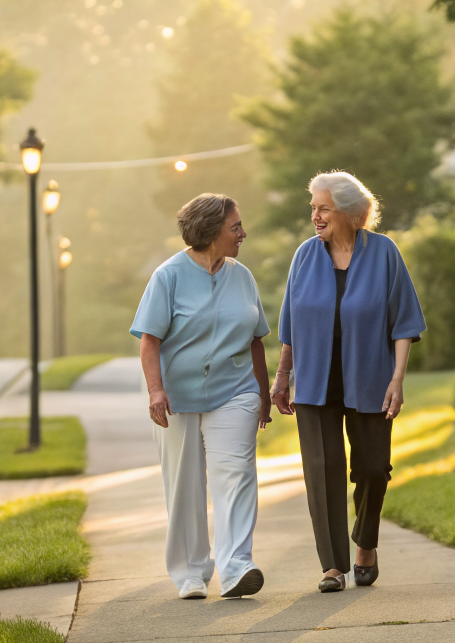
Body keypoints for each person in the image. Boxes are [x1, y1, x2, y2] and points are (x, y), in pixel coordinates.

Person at [272, 171, 425, 592]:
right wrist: (283, 376)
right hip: (316, 380)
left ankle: (366, 543)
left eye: (323, 208)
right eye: (314, 208)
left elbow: (404, 323)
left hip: (372, 378)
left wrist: (397, 379)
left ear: (350, 214)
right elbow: (291, 325)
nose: (315, 216)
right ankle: (333, 567)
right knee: (322, 471)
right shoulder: (305, 256)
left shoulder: (384, 253)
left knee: (373, 469)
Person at [131, 193, 272, 600]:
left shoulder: (242, 275)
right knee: (185, 484)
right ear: (210, 232)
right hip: (177, 396)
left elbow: (256, 339)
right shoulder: (168, 276)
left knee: (236, 475)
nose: (243, 233)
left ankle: (236, 567)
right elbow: (149, 340)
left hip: (235, 389)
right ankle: (191, 571)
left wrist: (262, 394)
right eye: (235, 227)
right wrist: (156, 390)